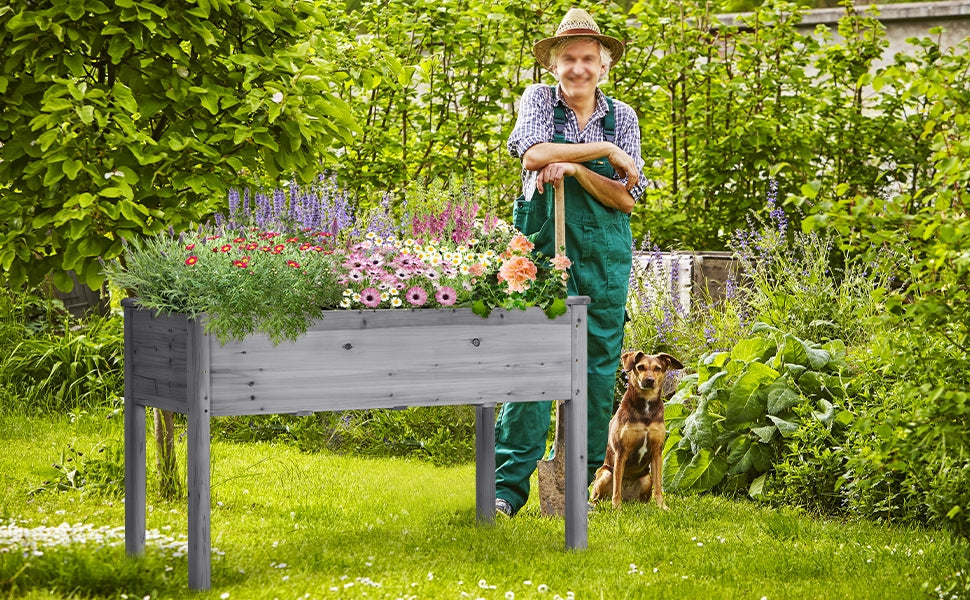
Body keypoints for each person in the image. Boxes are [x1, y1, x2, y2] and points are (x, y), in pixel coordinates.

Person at [494, 7, 647, 518]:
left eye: (588, 58)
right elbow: (532, 155)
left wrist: (577, 172)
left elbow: (625, 200)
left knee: (599, 366)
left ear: (603, 66)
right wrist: (601, 150)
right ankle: (508, 488)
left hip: (604, 253)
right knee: (532, 360)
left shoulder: (623, 114)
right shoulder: (538, 100)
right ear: (554, 66)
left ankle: (575, 481)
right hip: (541, 244)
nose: (578, 68)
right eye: (568, 59)